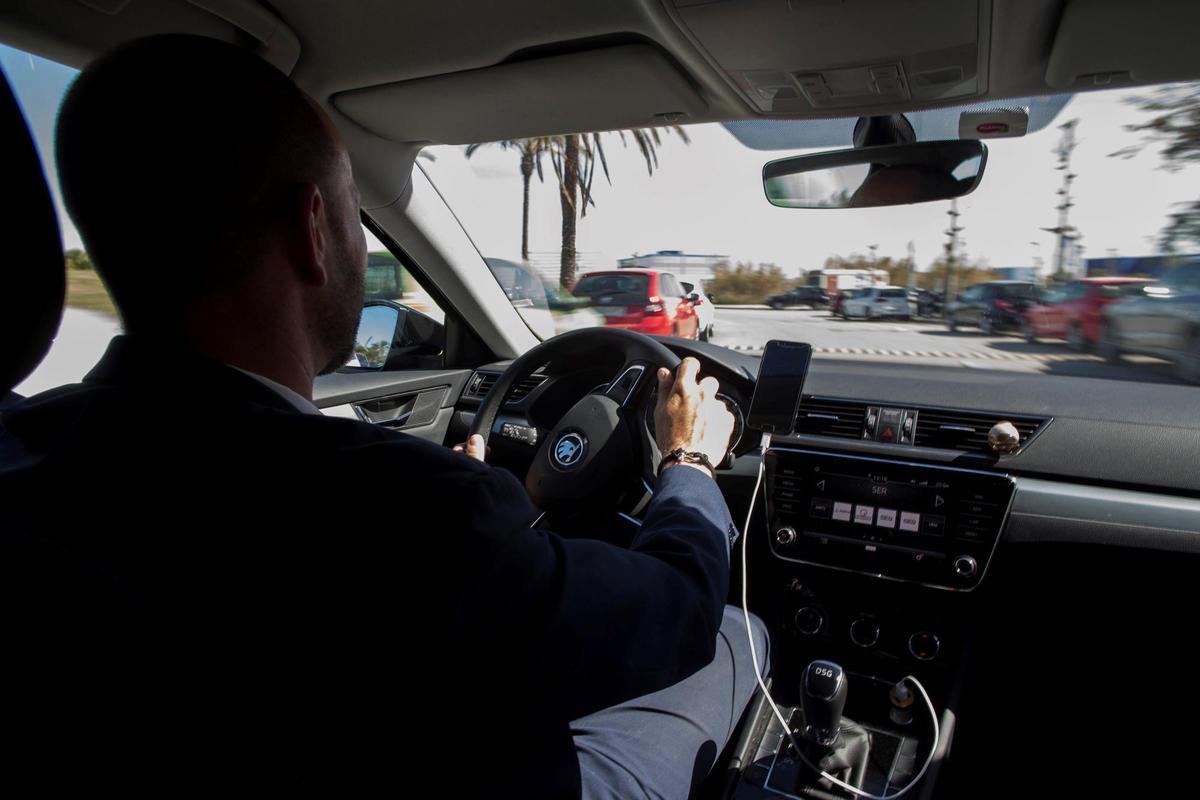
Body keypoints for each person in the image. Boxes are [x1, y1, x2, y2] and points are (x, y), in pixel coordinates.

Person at [0, 35, 767, 798]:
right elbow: (680, 610)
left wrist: (498, 522)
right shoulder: (405, 517)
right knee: (740, 635)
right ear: (311, 231)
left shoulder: (21, 451)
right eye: (353, 215)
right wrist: (689, 464)